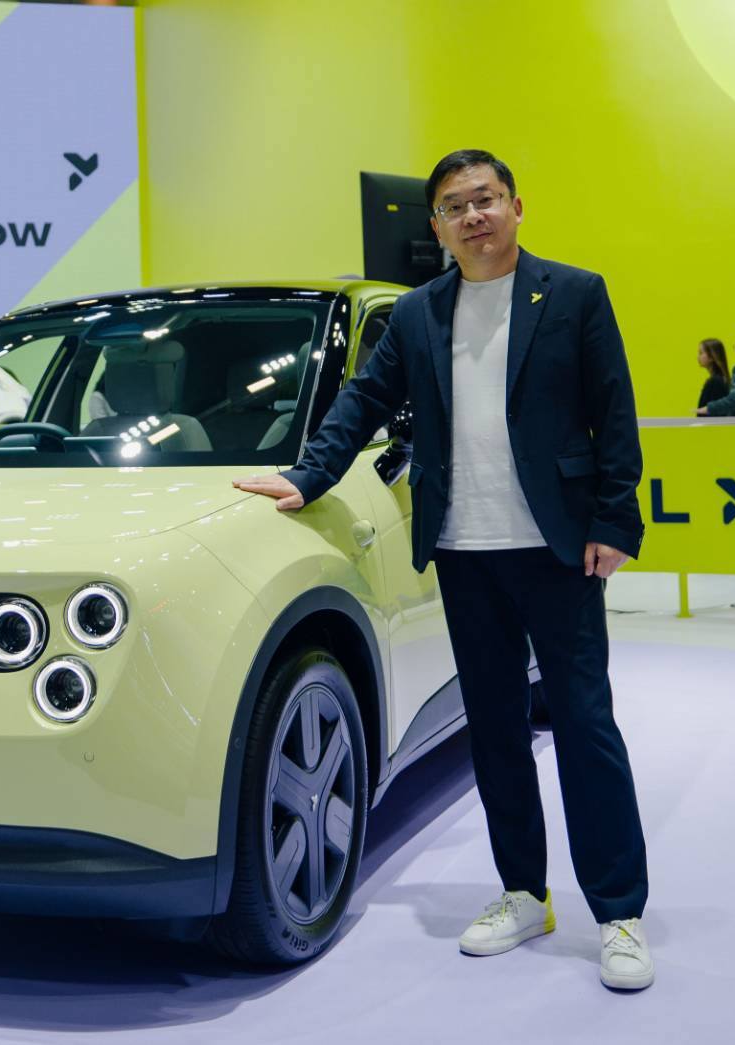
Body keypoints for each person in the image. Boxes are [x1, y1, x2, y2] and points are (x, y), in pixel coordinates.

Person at [233, 150, 653, 991]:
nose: (473, 216)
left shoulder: (574, 293)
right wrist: (308, 474)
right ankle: (523, 893)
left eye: (485, 199)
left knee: (584, 727)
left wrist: (614, 519)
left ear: (516, 206)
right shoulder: (418, 311)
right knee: (493, 729)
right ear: (436, 227)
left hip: (556, 547)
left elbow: (613, 407)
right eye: (455, 206)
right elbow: (363, 398)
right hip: (462, 549)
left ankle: (618, 911)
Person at [696, 338, 730, 410]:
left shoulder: (715, 381)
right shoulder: (721, 379)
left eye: (701, 353)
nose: (698, 356)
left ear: (711, 357)